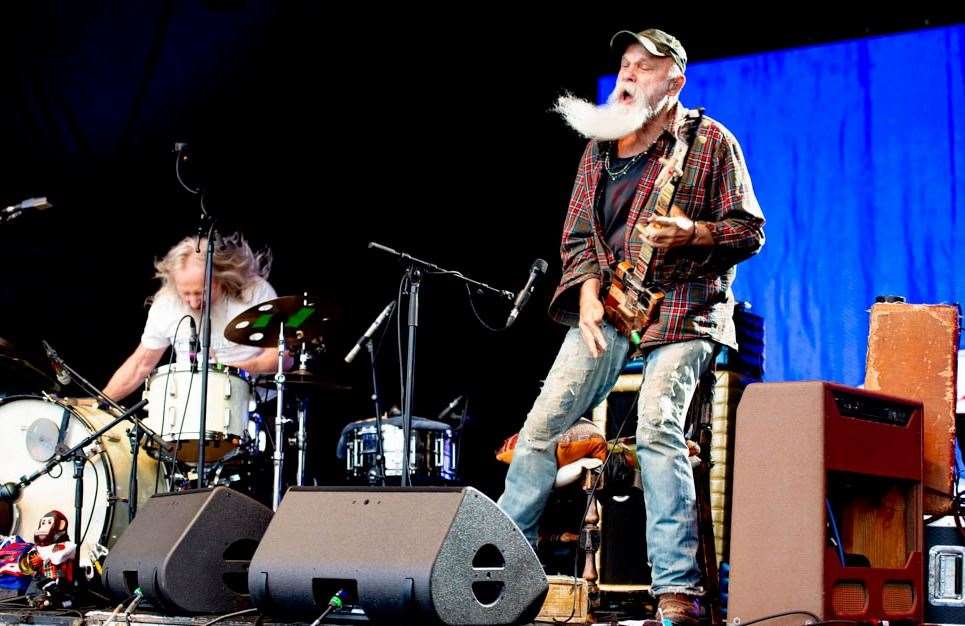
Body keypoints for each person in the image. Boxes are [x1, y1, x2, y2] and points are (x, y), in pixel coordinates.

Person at [497, 28, 765, 625]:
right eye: (624, 64)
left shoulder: (710, 142)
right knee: (539, 430)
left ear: (675, 81)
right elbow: (576, 239)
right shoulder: (598, 149)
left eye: (645, 66)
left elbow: (751, 230)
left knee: (656, 427)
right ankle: (500, 571)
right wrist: (588, 293)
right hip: (613, 306)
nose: (628, 75)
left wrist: (693, 233)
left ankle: (678, 592)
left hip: (685, 304)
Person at [104, 233, 281, 401]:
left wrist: (233, 370)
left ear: (219, 279)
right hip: (189, 408)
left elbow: (281, 357)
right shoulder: (166, 304)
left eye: (201, 293)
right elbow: (139, 366)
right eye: (186, 294)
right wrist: (99, 403)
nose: (194, 302)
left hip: (250, 404)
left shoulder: (255, 293)